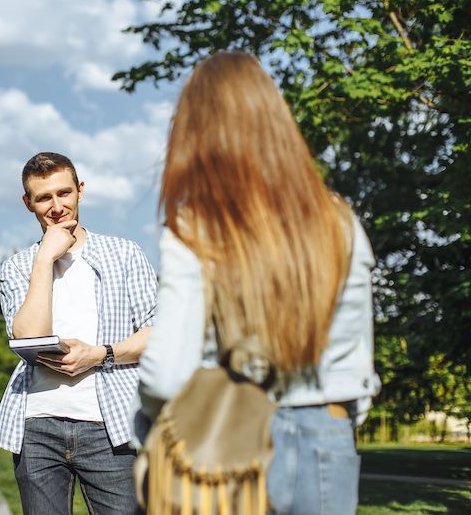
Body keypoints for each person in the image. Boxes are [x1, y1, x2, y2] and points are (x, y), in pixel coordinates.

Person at [136, 52, 380, 514]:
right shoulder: (340, 222)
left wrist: (148, 423)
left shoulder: (195, 226)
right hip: (328, 435)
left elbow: (167, 376)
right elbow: (356, 357)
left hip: (224, 443)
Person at [0, 152, 157, 515]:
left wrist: (101, 355)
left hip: (109, 424)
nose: (56, 206)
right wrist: (44, 260)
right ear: (27, 203)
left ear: (80, 190)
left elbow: (157, 334)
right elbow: (29, 340)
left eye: (64, 193)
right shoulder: (19, 266)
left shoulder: (125, 254)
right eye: (43, 198)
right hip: (36, 427)